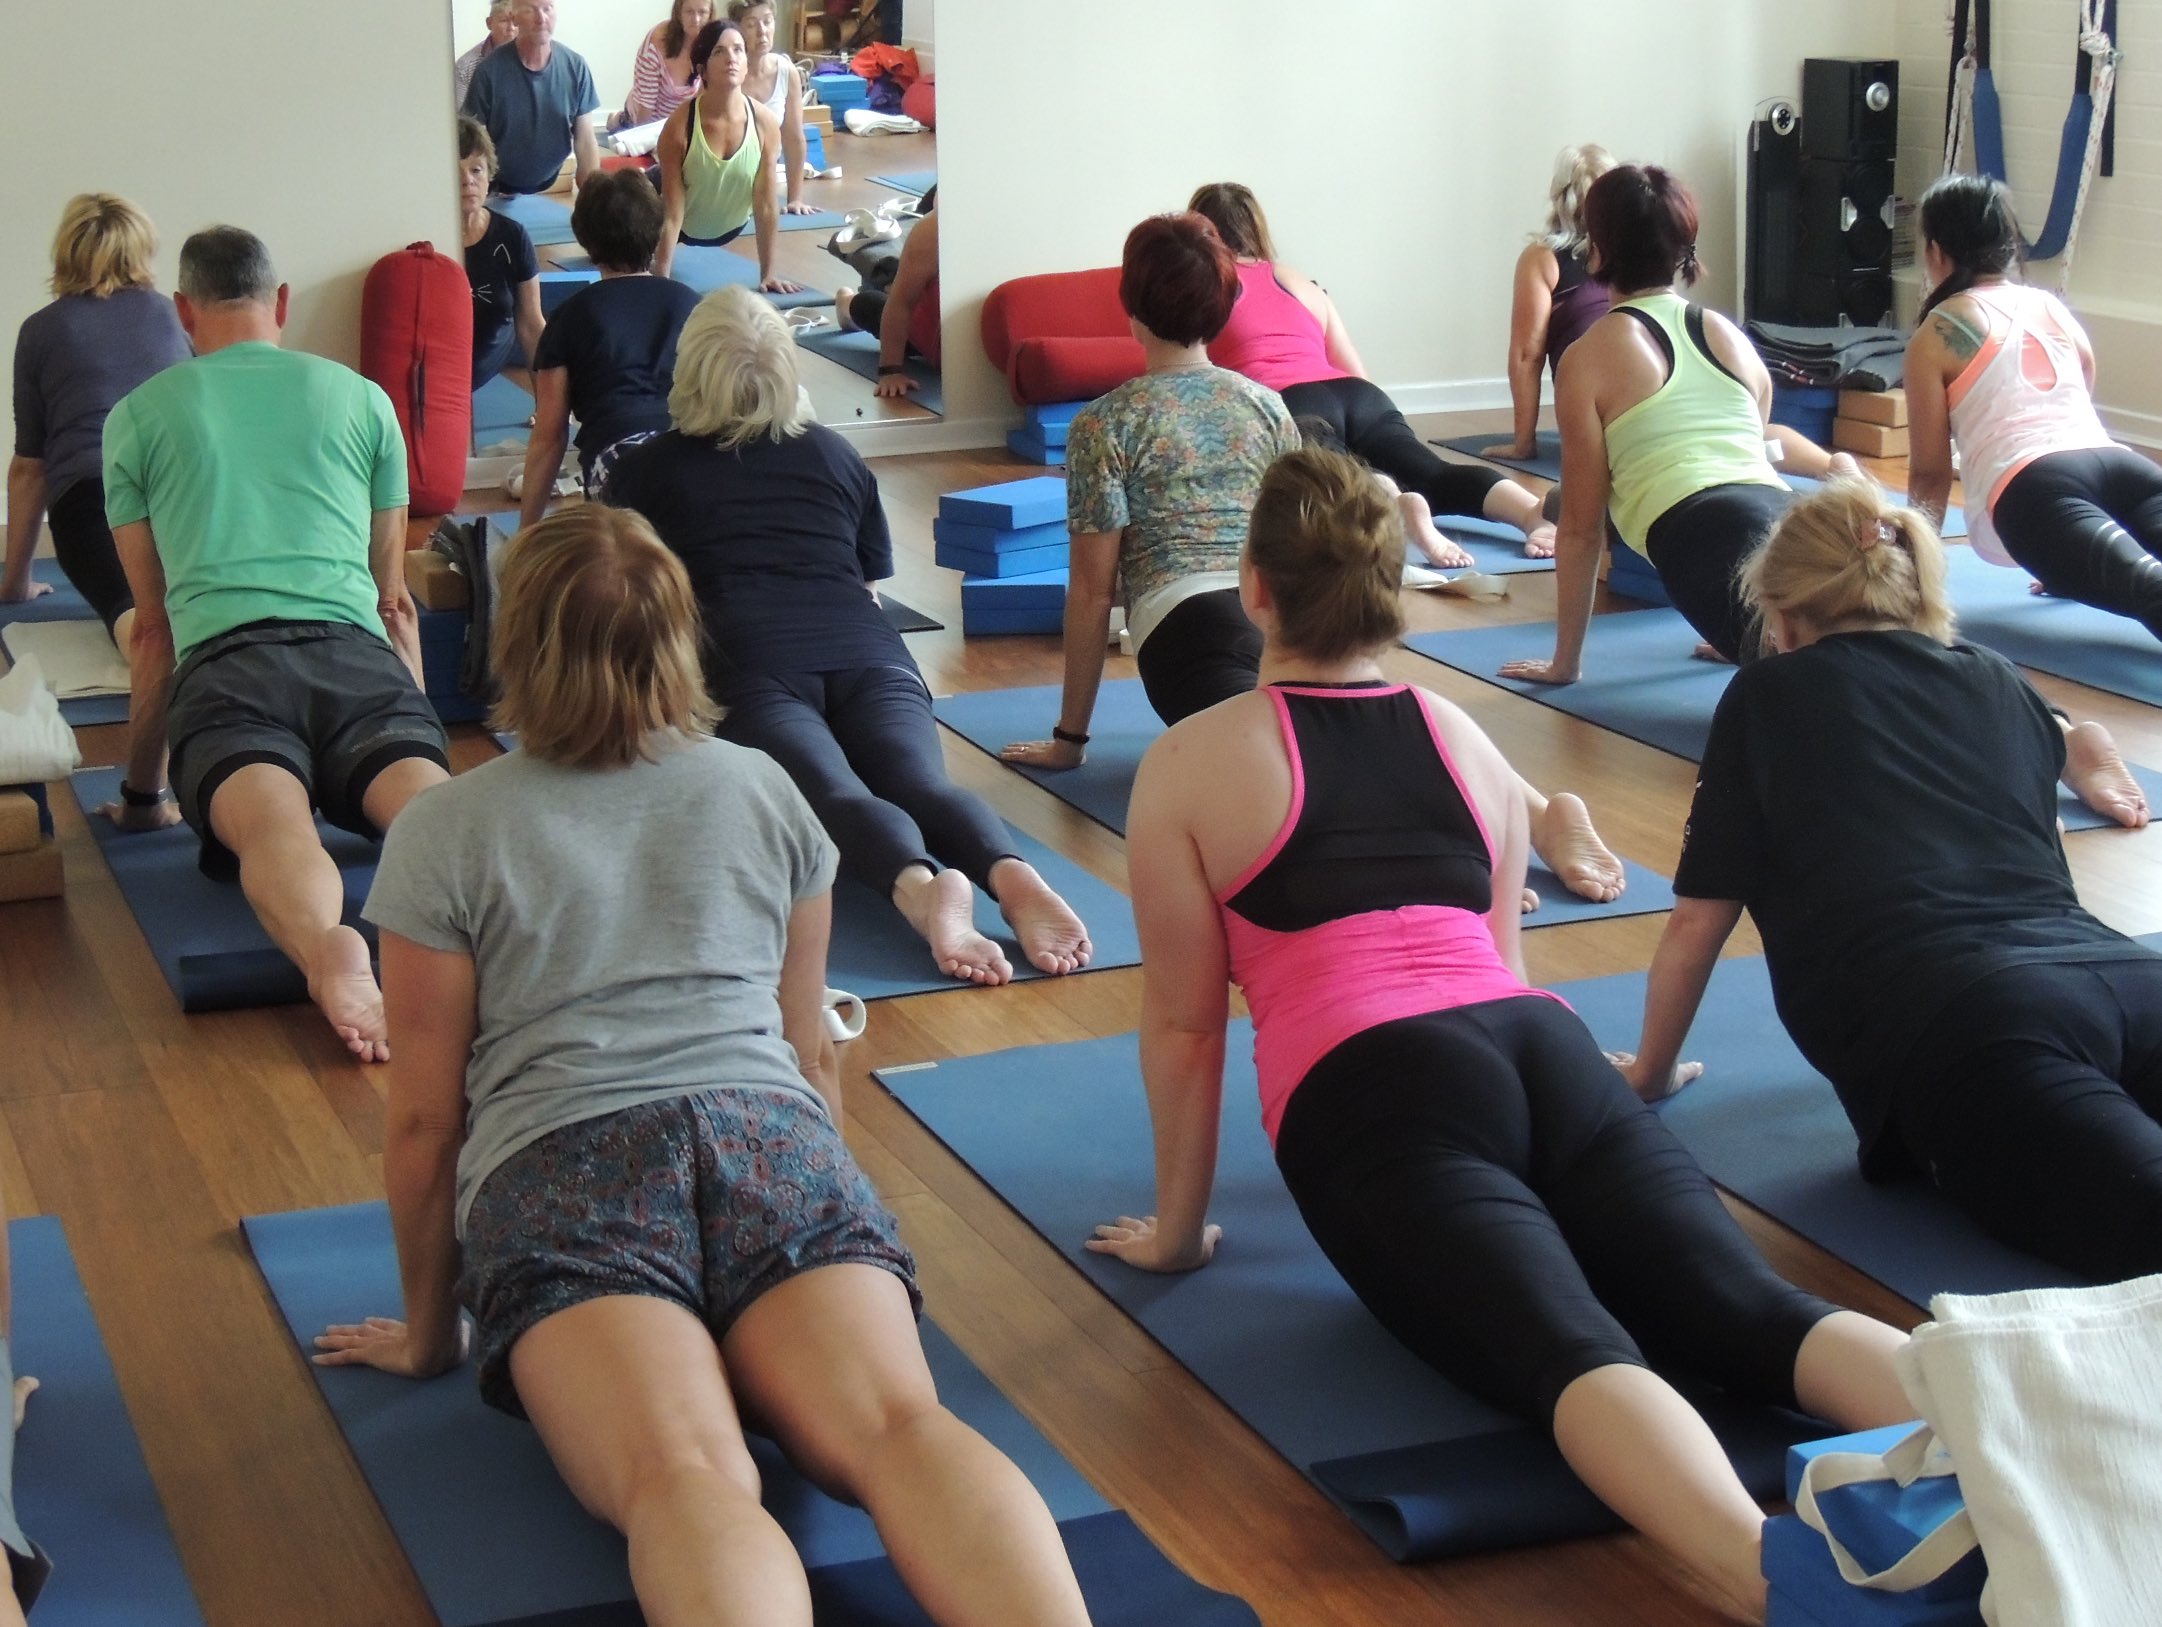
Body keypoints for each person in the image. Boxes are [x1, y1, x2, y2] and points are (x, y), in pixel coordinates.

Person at [1090, 446, 1915, 1624]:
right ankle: (2032, 1448)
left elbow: (1182, 1027)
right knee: (1749, 1309)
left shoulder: (1188, 761)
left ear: (1253, 589)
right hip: (1539, 1051)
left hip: (1372, 1091)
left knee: (1570, 1354)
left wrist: (1177, 1237)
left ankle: (1769, 1582)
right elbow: (1507, 962)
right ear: (1387, 583)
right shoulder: (1460, 734)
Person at [314, 505, 1095, 1627]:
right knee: (900, 1430)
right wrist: (806, 1196)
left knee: (685, 1476)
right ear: (681, 642)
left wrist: (433, 1335)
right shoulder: (760, 786)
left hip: (567, 1174)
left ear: (512, 646)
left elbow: (426, 1123)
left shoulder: (447, 826)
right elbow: (806, 1048)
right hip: (769, 1139)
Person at [1623, 478, 2160, 1284]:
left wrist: (1650, 1072)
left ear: (1784, 617)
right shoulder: (1999, 678)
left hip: (1976, 1027)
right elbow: (2044, 862)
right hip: (2123, 975)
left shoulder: (1767, 693)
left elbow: (1701, 920)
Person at [1001, 215, 1627, 908]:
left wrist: (1070, 737)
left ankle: (1454, 848)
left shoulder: (1104, 424)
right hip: (1280, 605)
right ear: (1226, 304)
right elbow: (1294, 532)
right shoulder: (1266, 405)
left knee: (1287, 760)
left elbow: (1091, 594)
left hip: (1185, 628)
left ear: (1130, 305)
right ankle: (1534, 812)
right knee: (1366, 711)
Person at [602, 287, 1091, 984]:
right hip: (870, 651)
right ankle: (1012, 876)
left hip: (749, 664)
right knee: (915, 779)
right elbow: (867, 587)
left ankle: (923, 892)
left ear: (689, 371)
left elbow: (634, 614)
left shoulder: (644, 471)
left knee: (833, 792)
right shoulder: (835, 456)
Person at [98, 227, 450, 1061]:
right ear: (282, 302)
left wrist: (145, 796)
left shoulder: (139, 417)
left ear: (185, 312)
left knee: (275, 830)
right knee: (435, 819)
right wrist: (412, 719)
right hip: (357, 661)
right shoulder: (364, 400)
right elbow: (394, 601)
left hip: (229, 673)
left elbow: (154, 631)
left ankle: (328, 943)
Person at [1499, 165, 1858, 685]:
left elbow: (1580, 529)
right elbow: (1750, 455)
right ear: (1684, 248)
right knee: (1851, 668)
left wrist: (1565, 665)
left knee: (1816, 692)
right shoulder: (1729, 336)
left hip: (1704, 539)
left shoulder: (1587, 357)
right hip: (1790, 521)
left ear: (1595, 249)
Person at [1189, 182, 1556, 563]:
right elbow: (1356, 371)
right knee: (1433, 471)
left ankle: (1394, 502)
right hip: (1356, 395)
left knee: (1340, 474)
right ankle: (1533, 512)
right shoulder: (1300, 282)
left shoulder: (1203, 288)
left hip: (1289, 401)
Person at [1904, 172, 2162, 641]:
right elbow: (2082, 381)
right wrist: (2069, 560)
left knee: (2147, 587)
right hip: (2122, 468)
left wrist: (1910, 575)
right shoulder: (2049, 306)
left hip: (2037, 492)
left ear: (1937, 252)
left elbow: (1930, 474)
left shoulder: (1935, 335)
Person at [7, 194, 191, 656]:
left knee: (139, 623)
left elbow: (31, 469)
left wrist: (14, 584)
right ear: (143, 250)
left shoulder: (42, 329)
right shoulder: (174, 316)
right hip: (180, 493)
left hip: (91, 501)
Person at [517, 170, 700, 526]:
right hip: (692, 451)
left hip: (621, 458)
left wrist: (527, 530)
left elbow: (550, 435)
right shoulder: (691, 304)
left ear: (586, 239)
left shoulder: (570, 316)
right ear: (657, 229)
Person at [1482, 143, 1617, 463]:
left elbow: (1527, 356)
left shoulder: (1541, 259)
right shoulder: (1638, 253)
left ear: (1558, 195)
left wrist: (1523, 444)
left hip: (1591, 408)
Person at [653, 19, 803, 292]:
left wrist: (768, 274)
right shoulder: (678, 127)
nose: (731, 59)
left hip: (731, 224)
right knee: (632, 191)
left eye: (738, 50)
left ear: (747, 64)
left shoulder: (765, 123)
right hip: (685, 223)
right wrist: (661, 277)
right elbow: (672, 213)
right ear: (702, 70)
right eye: (719, 52)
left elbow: (767, 205)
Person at [462, 0, 600, 197]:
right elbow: (474, 147)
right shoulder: (488, 72)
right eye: (530, 10)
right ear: (514, 16)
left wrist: (592, 201)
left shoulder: (575, 66)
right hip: (499, 189)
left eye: (547, 9)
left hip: (553, 184)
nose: (541, 18)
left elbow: (585, 141)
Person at [458, 119, 545, 396]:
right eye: (456, 171)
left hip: (487, 365)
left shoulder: (512, 236)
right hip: (443, 375)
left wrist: (546, 405)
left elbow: (532, 325)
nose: (467, 180)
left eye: (476, 169)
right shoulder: (428, 239)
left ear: (489, 176)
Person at [836, 186, 939, 398]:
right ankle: (845, 304)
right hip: (922, 331)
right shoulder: (932, 229)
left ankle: (890, 278)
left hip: (938, 313)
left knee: (898, 282)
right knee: (870, 304)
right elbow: (901, 303)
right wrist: (890, 371)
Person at [733, 0, 824, 207]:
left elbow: (793, 139)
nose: (761, 31)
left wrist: (795, 199)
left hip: (765, 175)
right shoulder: (729, 69)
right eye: (751, 24)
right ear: (737, 29)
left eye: (767, 21)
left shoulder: (786, 71)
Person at [621, 0, 711, 128]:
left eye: (702, 12)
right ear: (679, 12)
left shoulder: (713, 43)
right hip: (645, 118)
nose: (696, 19)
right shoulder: (656, 44)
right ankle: (618, 119)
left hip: (678, 121)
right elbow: (645, 111)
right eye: (689, 11)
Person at [453, 0, 518, 110]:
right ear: (489, 23)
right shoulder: (466, 66)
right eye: (504, 21)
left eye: (515, 22)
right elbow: (462, 120)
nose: (511, 28)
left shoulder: (533, 59)